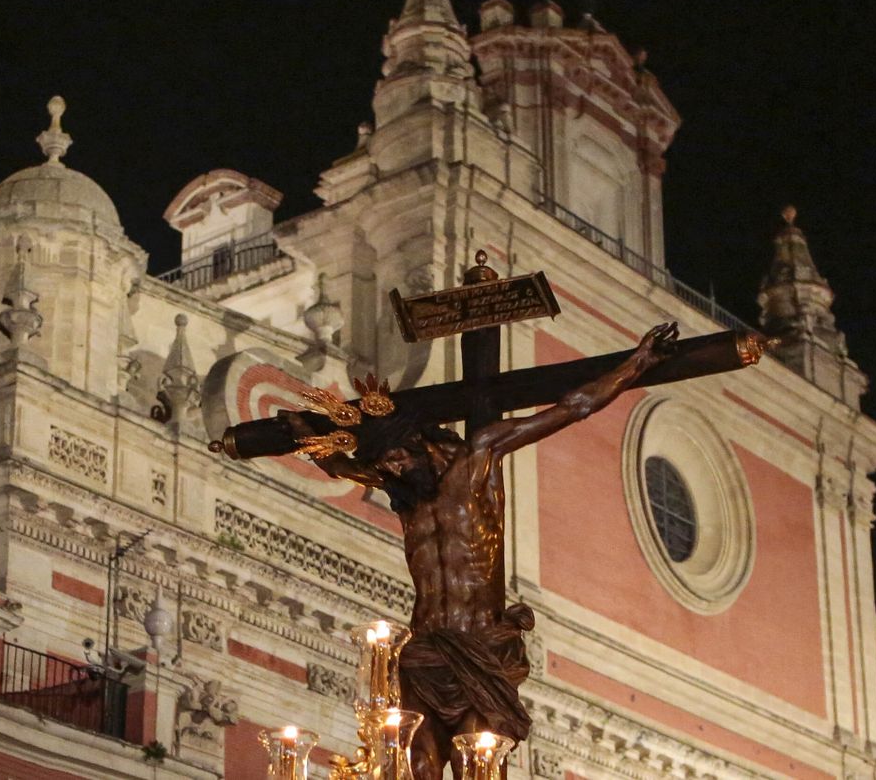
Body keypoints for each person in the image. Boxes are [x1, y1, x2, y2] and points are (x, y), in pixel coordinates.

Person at [283, 322, 679, 779]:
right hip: (425, 650)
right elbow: (339, 465)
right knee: (414, 767)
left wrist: (636, 364)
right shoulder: (403, 492)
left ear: (417, 441)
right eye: (385, 464)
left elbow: (573, 408)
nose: (392, 469)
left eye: (397, 457)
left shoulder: (478, 459)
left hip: (480, 648)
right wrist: (298, 432)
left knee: (477, 764)